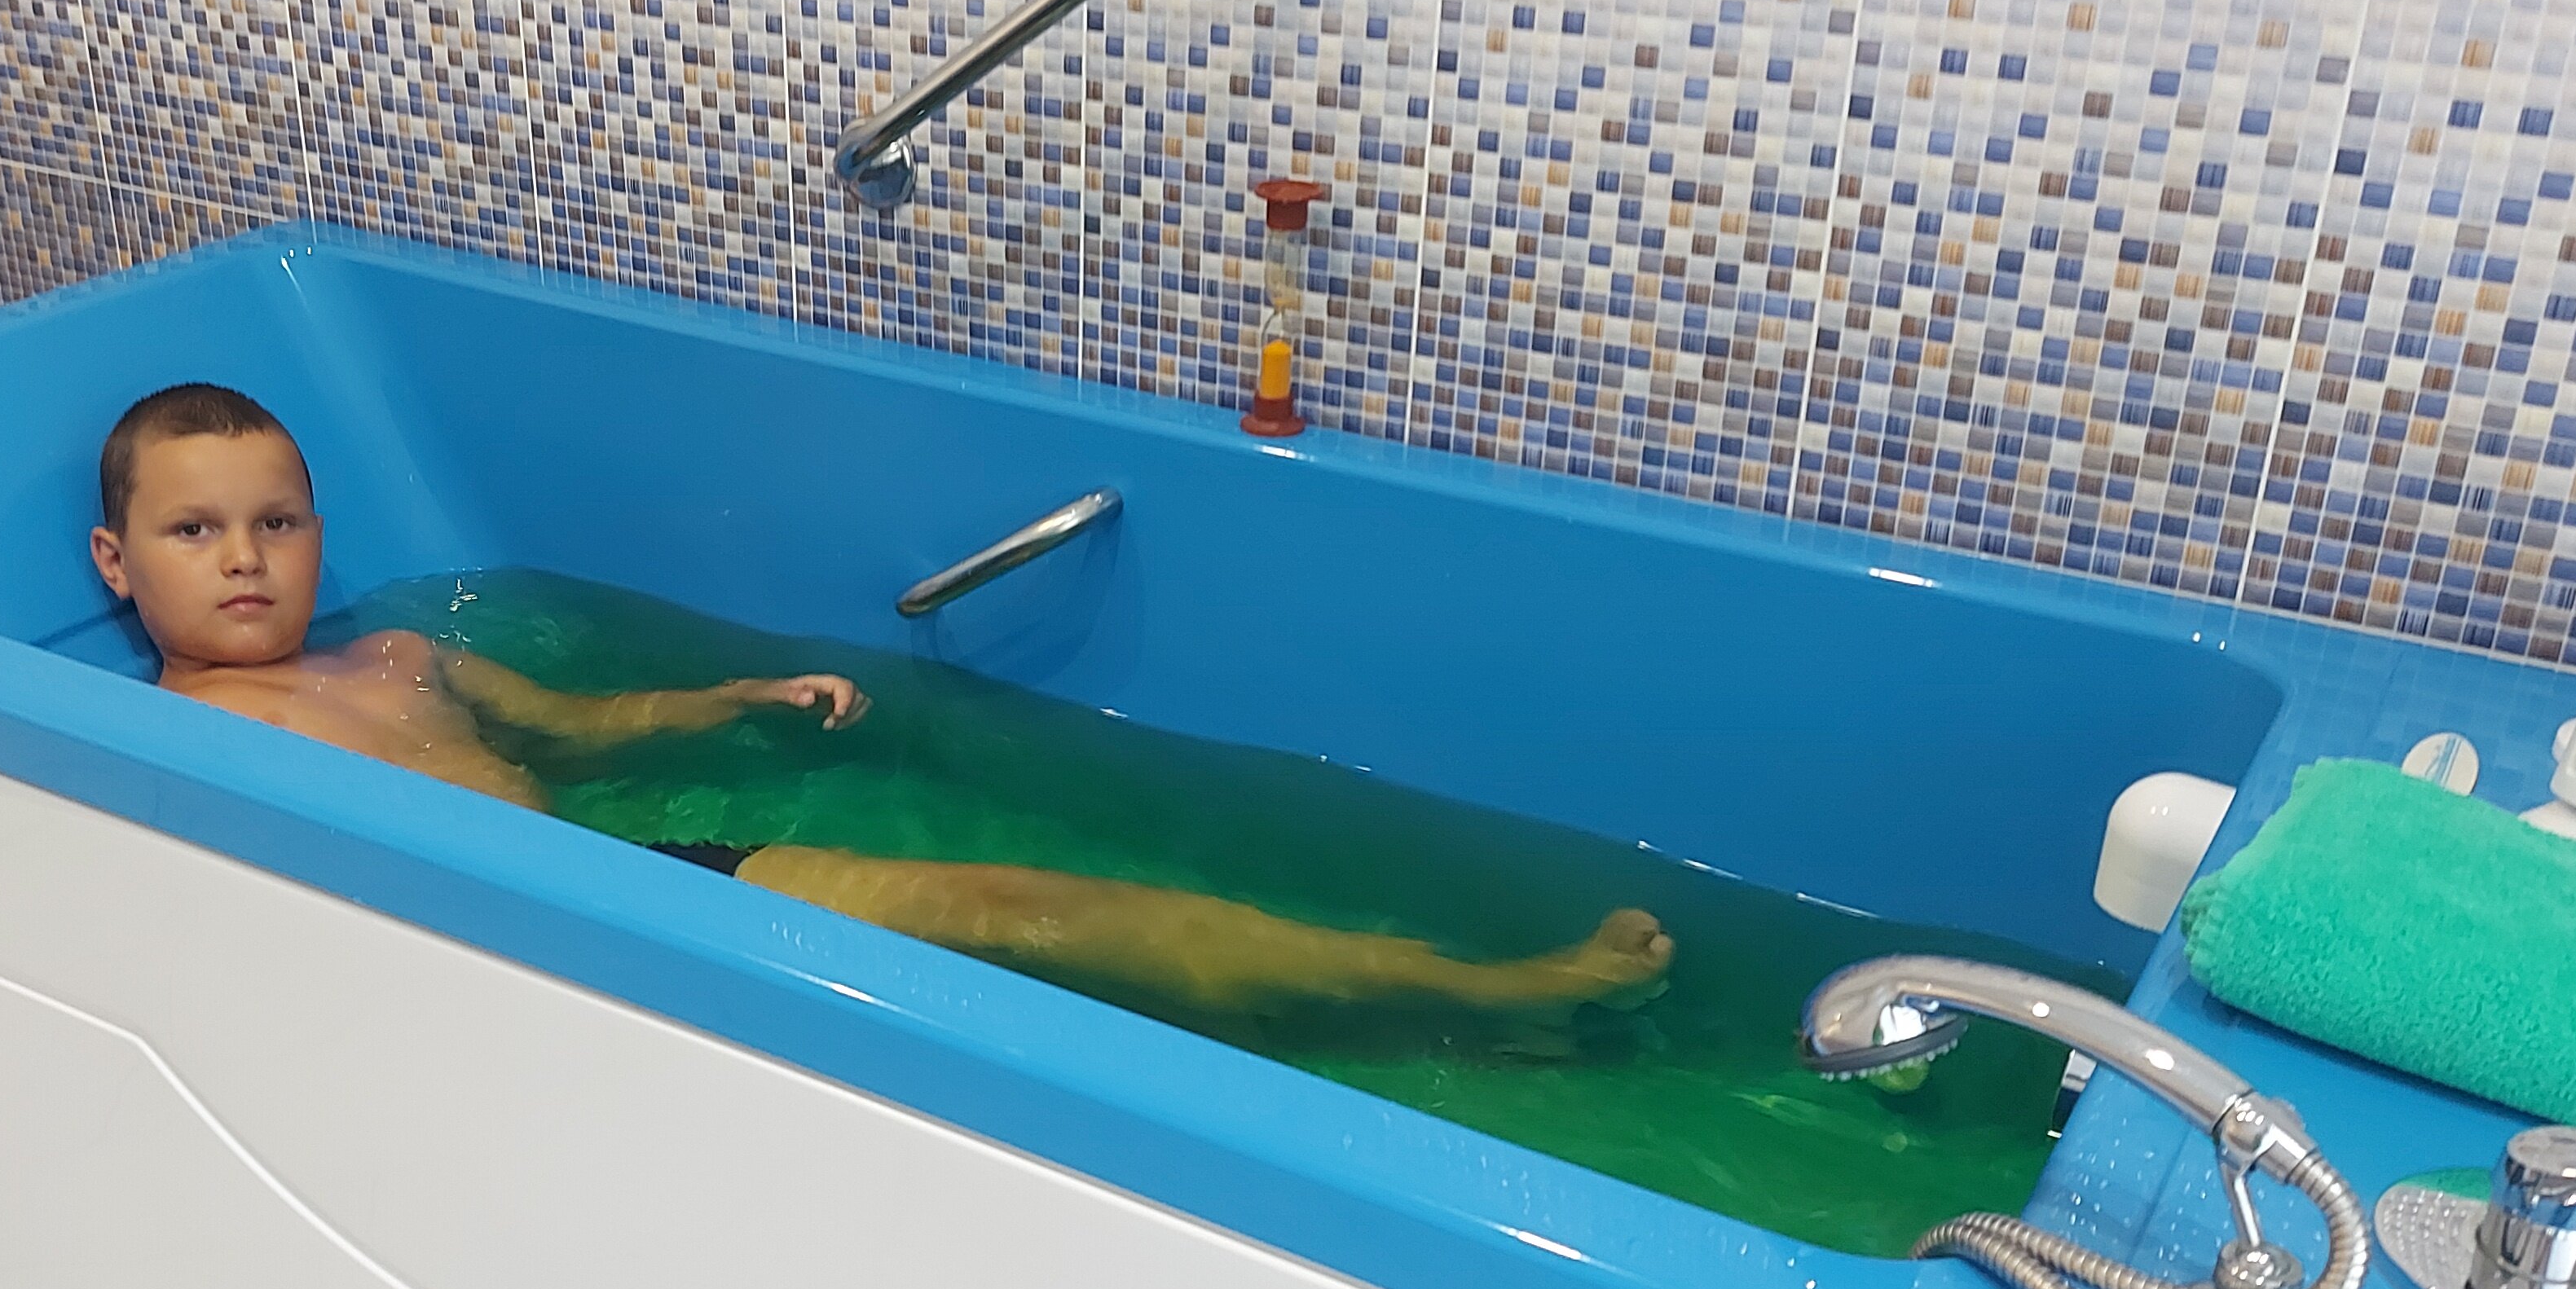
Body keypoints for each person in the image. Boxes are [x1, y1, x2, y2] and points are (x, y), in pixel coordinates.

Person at [86, 382, 1675, 1011]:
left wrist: (735, 695)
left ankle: (1469, 987)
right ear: (116, 562)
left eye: (275, 521)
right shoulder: (180, 729)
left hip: (651, 881)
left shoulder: (400, 658)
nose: (246, 560)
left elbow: (585, 733)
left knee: (1011, 904)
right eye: (194, 532)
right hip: (511, 959)